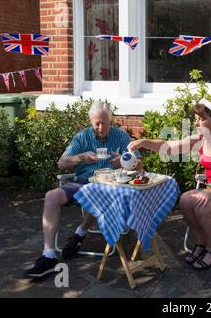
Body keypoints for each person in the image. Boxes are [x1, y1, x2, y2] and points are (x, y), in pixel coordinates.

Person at [127, 98, 211, 270]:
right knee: (185, 200)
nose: (197, 123)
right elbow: (169, 147)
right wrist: (144, 142)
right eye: (196, 119)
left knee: (202, 207)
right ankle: (201, 243)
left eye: (202, 119)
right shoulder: (200, 139)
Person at [25, 100, 143, 278]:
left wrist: (126, 161)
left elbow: (140, 165)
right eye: (97, 123)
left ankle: (79, 233)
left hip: (110, 187)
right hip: (82, 183)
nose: (101, 127)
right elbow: (62, 163)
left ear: (110, 120)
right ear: (90, 121)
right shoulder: (82, 137)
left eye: (104, 122)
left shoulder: (121, 137)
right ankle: (48, 255)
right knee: (51, 196)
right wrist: (80, 157)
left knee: (98, 193)